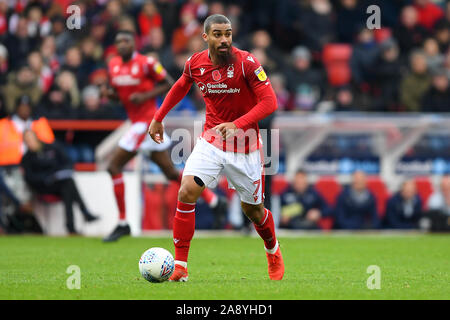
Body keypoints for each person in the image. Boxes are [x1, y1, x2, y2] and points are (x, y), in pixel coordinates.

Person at [148, 14, 284, 281]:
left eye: (228, 34)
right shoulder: (195, 63)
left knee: (254, 212)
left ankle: (273, 250)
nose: (224, 40)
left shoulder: (247, 62)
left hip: (246, 148)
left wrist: (238, 124)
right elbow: (180, 86)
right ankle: (180, 266)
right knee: (187, 190)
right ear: (205, 37)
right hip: (211, 140)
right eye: (218, 34)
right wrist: (158, 117)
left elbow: (270, 102)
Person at [103, 30, 226, 242]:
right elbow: (121, 96)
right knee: (170, 173)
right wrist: (109, 95)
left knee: (113, 167)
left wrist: (145, 96)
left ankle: (123, 223)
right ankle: (214, 201)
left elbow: (171, 83)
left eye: (127, 41)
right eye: (119, 41)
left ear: (134, 44)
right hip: (136, 123)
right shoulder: (113, 66)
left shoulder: (147, 63)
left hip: (147, 122)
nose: (123, 44)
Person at [20, 130, 98, 234]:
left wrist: (57, 174)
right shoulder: (26, 158)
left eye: (31, 139)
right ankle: (84, 213)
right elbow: (29, 177)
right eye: (27, 141)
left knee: (68, 186)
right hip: (43, 187)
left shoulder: (53, 148)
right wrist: (47, 177)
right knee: (69, 184)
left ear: (36, 138)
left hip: (60, 182)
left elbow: (68, 162)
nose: (30, 143)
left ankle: (71, 227)